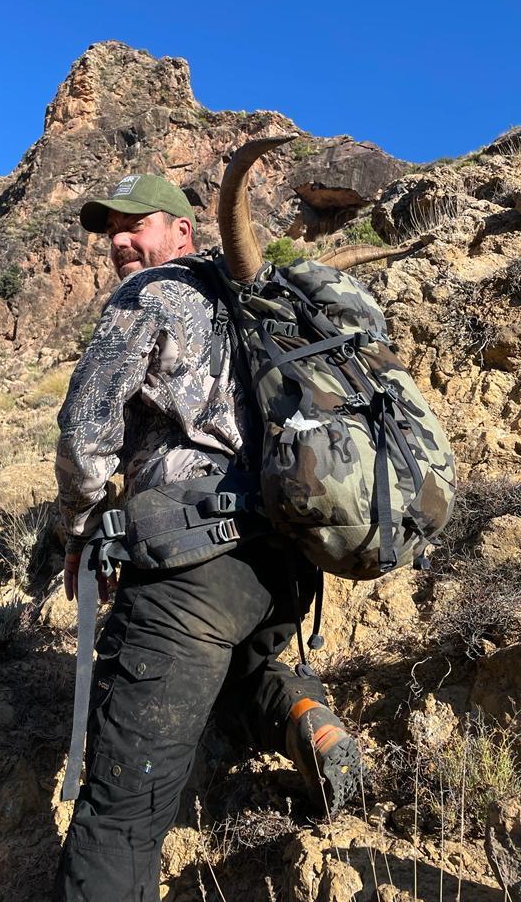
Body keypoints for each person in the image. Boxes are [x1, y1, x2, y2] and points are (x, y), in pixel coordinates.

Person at [53, 172, 360, 901]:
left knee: (120, 815)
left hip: (188, 566)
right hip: (277, 564)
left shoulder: (149, 296)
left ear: (181, 232)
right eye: (110, 231)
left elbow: (83, 434)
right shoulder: (250, 301)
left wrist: (78, 528)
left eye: (138, 224)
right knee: (234, 674)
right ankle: (305, 719)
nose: (121, 240)